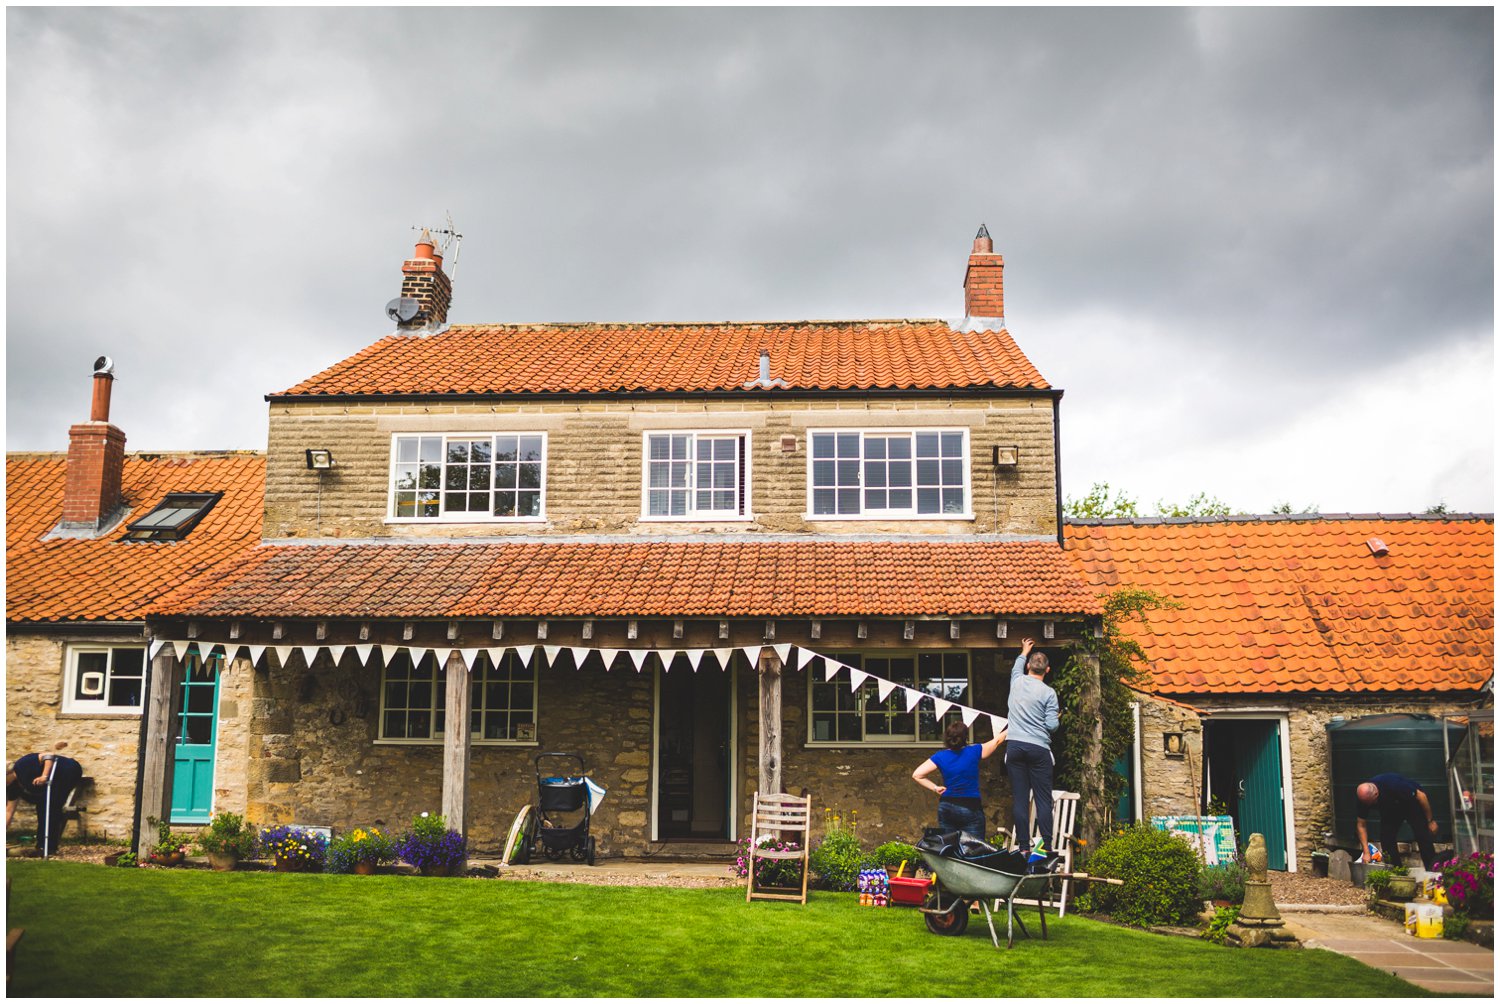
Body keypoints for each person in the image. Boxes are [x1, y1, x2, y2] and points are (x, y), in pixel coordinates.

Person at [1006, 638, 1059, 854]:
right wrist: (1057, 717)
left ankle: (1024, 846)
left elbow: (1017, 665)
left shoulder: (1016, 681)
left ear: (1029, 666)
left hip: (1015, 746)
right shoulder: (1049, 693)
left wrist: (1025, 650)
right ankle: (1046, 845)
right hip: (1038, 748)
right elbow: (1052, 726)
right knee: (1042, 798)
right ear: (1048, 669)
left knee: (1020, 798)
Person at [912, 721, 1008, 839]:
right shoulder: (974, 751)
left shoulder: (939, 756)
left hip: (946, 806)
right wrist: (1011, 726)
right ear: (965, 737)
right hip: (970, 807)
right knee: (974, 848)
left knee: (949, 847)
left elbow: (917, 775)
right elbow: (997, 740)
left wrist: (935, 788)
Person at [6, 745, 84, 855]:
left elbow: (49, 755)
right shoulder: (13, 787)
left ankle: (48, 847)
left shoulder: (22, 764)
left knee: (51, 806)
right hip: (54, 781)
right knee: (43, 806)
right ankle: (42, 846)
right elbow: (8, 811)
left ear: (8, 773)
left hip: (68, 769)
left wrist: (44, 776)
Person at [1355, 772, 1440, 870]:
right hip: (1390, 809)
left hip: (1410, 804)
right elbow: (1361, 825)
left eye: (1371, 803)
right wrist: (1366, 852)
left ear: (1376, 794)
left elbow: (1421, 796)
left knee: (1422, 835)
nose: (1369, 806)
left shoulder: (1394, 785)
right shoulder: (1363, 798)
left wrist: (1430, 821)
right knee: (1386, 839)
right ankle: (1396, 871)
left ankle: (1433, 872)